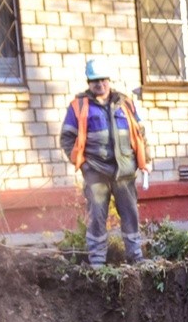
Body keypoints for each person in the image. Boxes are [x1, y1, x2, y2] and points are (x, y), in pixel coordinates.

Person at [60, 57, 150, 266]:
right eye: (95, 81)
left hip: (124, 171)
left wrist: (147, 160)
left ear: (109, 80)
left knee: (130, 215)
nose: (99, 84)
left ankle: (135, 256)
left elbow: (140, 133)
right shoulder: (79, 106)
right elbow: (67, 138)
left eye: (103, 80)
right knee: (97, 217)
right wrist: (82, 164)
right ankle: (98, 261)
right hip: (96, 172)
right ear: (88, 83)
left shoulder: (125, 103)